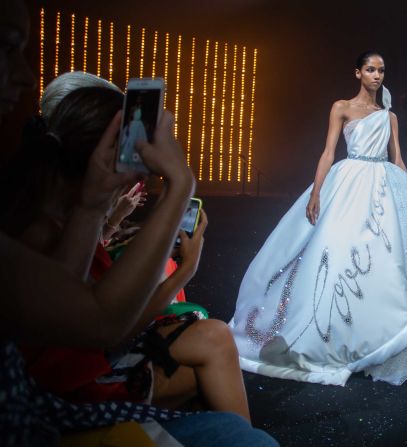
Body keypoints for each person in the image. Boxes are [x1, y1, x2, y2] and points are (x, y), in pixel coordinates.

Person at [0, 3, 276, 443]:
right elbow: (102, 324)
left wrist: (99, 213)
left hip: (67, 385)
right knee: (243, 426)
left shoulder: (51, 217)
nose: (25, 75)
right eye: (10, 48)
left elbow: (67, 292)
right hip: (67, 398)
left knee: (215, 353)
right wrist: (181, 186)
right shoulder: (37, 228)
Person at [228, 51, 407, 386]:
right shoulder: (341, 107)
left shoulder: (389, 116)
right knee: (333, 253)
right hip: (348, 184)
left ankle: (372, 337)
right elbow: (327, 151)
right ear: (357, 73)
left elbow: (397, 159)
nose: (377, 76)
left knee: (380, 261)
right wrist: (316, 191)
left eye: (381, 70)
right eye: (370, 69)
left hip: (383, 187)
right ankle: (325, 334)